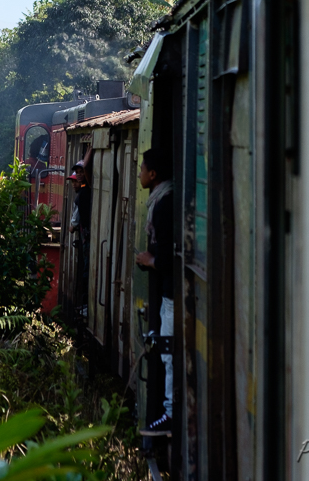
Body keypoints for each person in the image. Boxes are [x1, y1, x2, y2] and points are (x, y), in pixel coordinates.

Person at [135, 148, 174, 435]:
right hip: (168, 292)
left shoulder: (163, 205)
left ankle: (170, 413)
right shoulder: (162, 200)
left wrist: (152, 260)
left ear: (153, 174)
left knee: (169, 352)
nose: (139, 174)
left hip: (172, 293)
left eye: (142, 169)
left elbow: (172, 255)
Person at [66, 159, 92, 309]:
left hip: (86, 236)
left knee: (86, 269)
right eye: (77, 173)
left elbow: (73, 224)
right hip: (85, 235)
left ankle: (85, 304)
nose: (75, 182)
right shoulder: (83, 192)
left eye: (81, 172)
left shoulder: (82, 194)